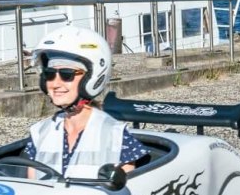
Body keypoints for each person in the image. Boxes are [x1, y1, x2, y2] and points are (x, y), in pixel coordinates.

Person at [24, 27, 149, 177]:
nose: (55, 83)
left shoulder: (115, 135)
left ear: (91, 78)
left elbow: (127, 192)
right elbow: (32, 186)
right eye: (49, 74)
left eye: (66, 74)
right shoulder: (39, 132)